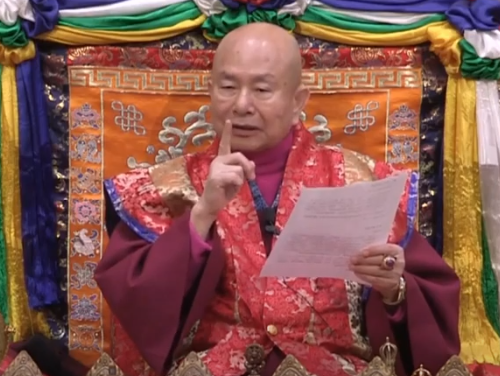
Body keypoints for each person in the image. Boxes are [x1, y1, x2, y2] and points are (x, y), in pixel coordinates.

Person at [95, 23, 460, 376]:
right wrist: (201, 215)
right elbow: (135, 305)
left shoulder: (359, 180)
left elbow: (432, 323)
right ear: (210, 91)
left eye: (262, 89)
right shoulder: (165, 188)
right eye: (228, 87)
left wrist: (394, 289)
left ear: (298, 100)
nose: (241, 105)